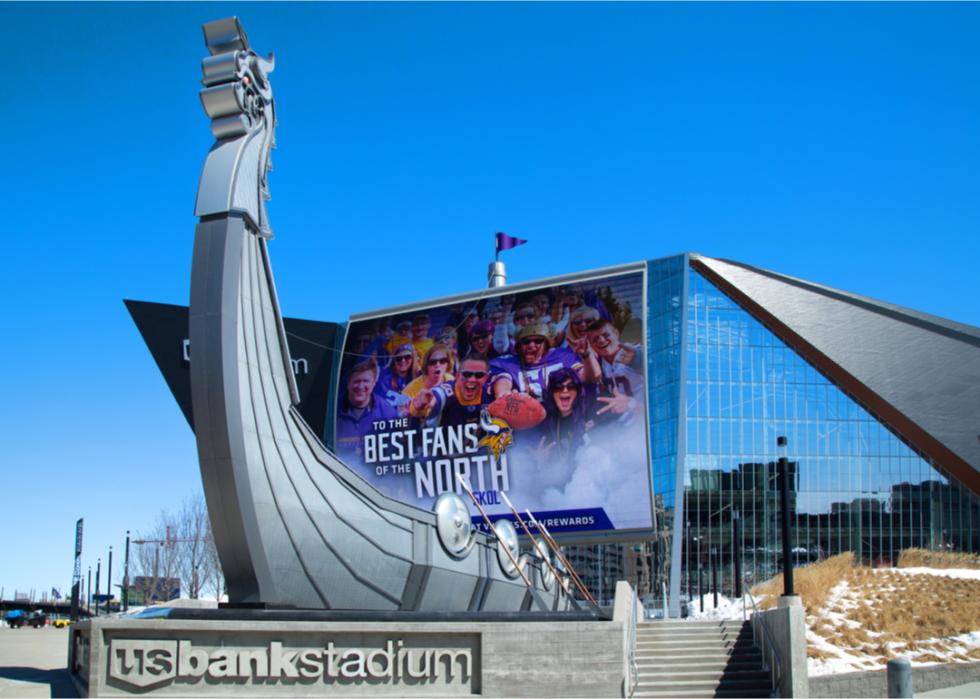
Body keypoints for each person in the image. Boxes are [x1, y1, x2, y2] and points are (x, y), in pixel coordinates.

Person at [490, 322, 600, 400]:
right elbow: (503, 387)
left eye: (538, 341)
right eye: (526, 342)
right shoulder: (509, 363)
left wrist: (587, 355)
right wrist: (505, 395)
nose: (531, 345)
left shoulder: (562, 356)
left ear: (547, 344)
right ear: (519, 346)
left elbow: (591, 378)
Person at [525, 368, 595, 461]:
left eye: (571, 386)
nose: (565, 390)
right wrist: (538, 461)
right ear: (551, 393)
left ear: (577, 391)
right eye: (558, 387)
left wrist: (622, 403)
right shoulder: (544, 420)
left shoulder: (590, 409)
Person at [335, 360, 398, 461]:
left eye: (366, 381)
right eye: (356, 381)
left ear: (373, 384)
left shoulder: (387, 412)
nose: (360, 386)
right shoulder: (333, 410)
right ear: (348, 384)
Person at [409, 355, 493, 427]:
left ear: (486, 378)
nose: (472, 379)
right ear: (457, 376)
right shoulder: (446, 392)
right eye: (466, 374)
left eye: (479, 375)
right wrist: (419, 406)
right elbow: (436, 397)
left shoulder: (490, 393)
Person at [587, 319, 643, 419]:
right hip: (622, 425)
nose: (601, 340)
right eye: (595, 339)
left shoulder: (632, 352)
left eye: (606, 335)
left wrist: (637, 359)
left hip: (644, 420)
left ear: (616, 333)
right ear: (591, 345)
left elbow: (653, 365)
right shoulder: (599, 365)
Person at [374, 343, 416, 413]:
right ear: (394, 361)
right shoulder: (384, 381)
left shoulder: (418, 379)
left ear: (412, 359)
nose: (403, 360)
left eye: (407, 357)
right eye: (399, 358)